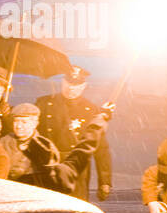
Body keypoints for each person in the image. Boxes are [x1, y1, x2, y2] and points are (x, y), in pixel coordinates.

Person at [38, 66, 112, 200]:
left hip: (76, 169)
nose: (71, 88)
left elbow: (101, 147)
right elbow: (26, 128)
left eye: (76, 85)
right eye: (68, 83)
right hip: (48, 165)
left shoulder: (91, 110)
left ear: (84, 86)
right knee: (47, 207)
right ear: (62, 82)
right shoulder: (44, 103)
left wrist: (104, 181)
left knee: (75, 208)